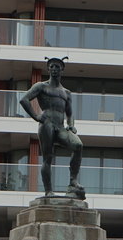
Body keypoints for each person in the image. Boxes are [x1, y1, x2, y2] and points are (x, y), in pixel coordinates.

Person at [19, 56, 84, 198]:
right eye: (52, 66)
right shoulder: (41, 86)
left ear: (62, 70)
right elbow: (24, 99)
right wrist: (36, 116)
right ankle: (48, 190)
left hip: (60, 126)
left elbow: (70, 113)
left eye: (57, 67)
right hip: (46, 124)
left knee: (78, 145)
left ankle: (73, 181)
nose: (54, 69)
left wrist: (71, 125)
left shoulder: (66, 92)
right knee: (48, 158)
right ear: (48, 69)